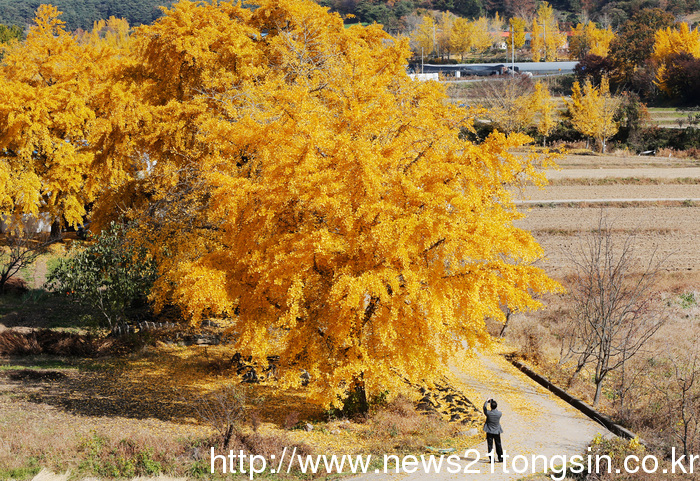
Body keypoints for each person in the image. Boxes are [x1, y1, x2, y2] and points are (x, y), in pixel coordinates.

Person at [483, 398, 503, 462]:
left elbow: (484, 408)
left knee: (490, 445)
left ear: (491, 407)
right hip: (497, 431)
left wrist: (487, 401)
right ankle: (500, 458)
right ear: (496, 406)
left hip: (489, 431)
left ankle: (492, 459)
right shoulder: (499, 413)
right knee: (498, 445)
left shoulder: (488, 413)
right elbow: (496, 410)